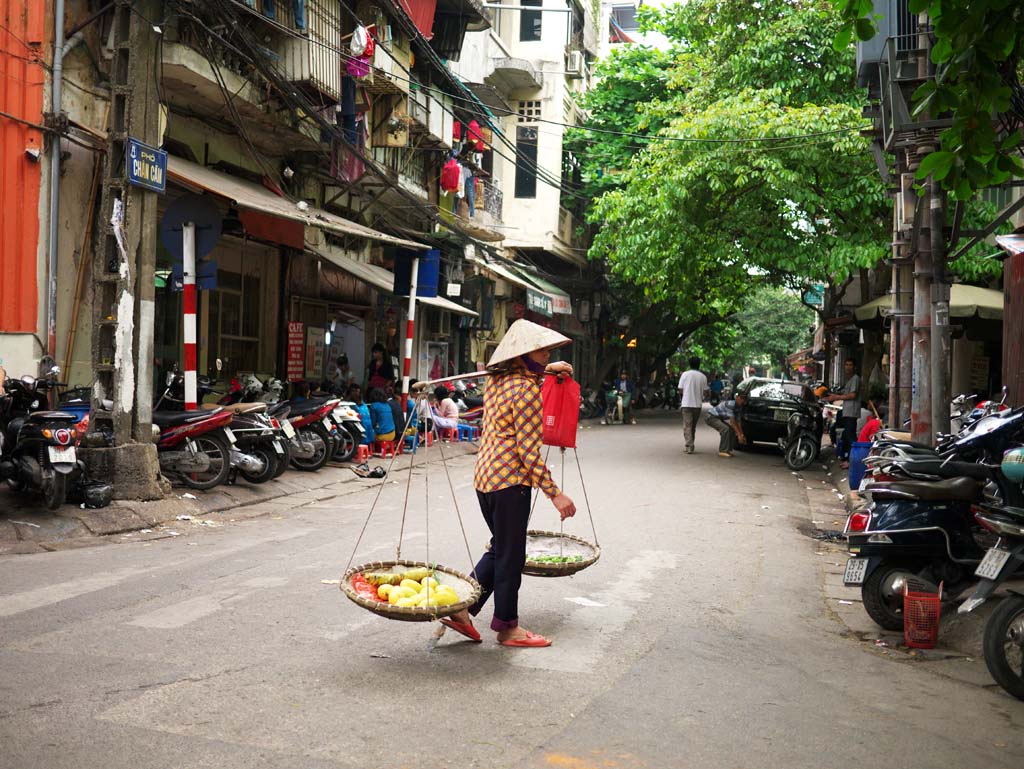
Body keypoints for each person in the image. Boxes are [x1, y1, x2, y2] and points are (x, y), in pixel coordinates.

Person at [440, 319, 576, 648]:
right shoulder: (528, 391)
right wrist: (555, 494)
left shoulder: (497, 381)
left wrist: (549, 367)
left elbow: (522, 373)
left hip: (485, 479)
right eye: (542, 352)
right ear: (525, 355)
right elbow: (528, 453)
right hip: (510, 482)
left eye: (547, 352)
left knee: (502, 547)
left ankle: (462, 609)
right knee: (511, 556)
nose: (546, 356)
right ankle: (507, 627)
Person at [826, 359, 861, 469]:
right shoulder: (849, 380)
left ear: (854, 367)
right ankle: (848, 459)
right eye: (846, 364)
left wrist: (837, 397)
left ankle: (853, 461)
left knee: (851, 437)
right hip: (847, 412)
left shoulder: (855, 379)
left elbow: (852, 395)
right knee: (847, 436)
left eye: (850, 365)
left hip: (852, 412)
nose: (848, 367)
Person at [677, 356, 709, 454]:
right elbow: (706, 392)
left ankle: (689, 445)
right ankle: (690, 444)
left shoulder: (685, 375)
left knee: (687, 425)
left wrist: (686, 393)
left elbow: (680, 389)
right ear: (699, 365)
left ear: (689, 364)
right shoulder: (703, 376)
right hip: (697, 405)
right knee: (692, 426)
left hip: (686, 403)